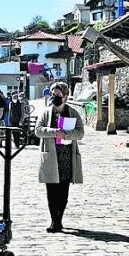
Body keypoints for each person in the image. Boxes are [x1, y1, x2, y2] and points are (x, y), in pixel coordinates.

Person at [34, 82, 85, 232]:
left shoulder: (73, 113)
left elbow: (80, 133)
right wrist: (53, 132)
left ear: (66, 96)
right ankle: (53, 220)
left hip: (67, 157)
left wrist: (67, 134)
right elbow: (38, 130)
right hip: (51, 156)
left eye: (58, 95)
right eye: (53, 94)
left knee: (63, 191)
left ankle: (59, 219)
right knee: (51, 190)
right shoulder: (46, 113)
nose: (55, 97)